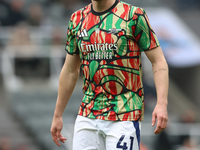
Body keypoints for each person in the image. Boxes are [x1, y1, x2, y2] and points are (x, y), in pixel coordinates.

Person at [50, 0, 169, 149]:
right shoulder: (77, 19)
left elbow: (158, 61)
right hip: (88, 113)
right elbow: (69, 70)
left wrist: (161, 104)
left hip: (124, 113)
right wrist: (57, 115)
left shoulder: (134, 15)